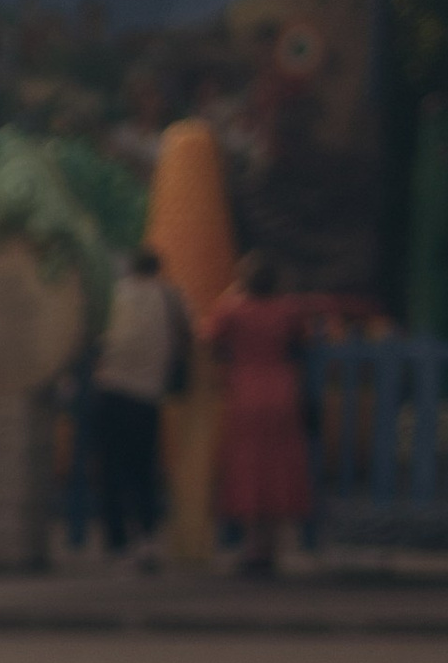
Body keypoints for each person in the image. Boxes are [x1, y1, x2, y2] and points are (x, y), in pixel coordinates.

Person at [209, 249, 312, 576]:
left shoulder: (233, 310)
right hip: (282, 391)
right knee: (279, 467)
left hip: (245, 394)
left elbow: (209, 336)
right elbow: (304, 341)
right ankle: (272, 547)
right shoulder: (288, 310)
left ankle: (252, 548)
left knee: (249, 469)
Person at [91, 243, 189, 565]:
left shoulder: (115, 295)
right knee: (144, 469)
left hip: (111, 388)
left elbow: (98, 337)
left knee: (111, 469)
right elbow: (184, 339)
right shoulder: (170, 296)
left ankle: (115, 539)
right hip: (147, 394)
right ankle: (147, 536)